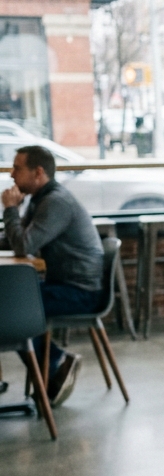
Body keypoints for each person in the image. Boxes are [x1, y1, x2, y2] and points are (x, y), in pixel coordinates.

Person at [1, 144, 104, 404]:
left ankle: (56, 362)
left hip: (81, 292)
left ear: (38, 172)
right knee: (13, 304)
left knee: (14, 308)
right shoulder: (40, 200)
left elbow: (24, 246)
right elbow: (15, 241)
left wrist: (10, 210)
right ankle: (53, 365)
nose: (11, 174)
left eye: (17, 168)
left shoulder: (56, 202)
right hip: (63, 285)